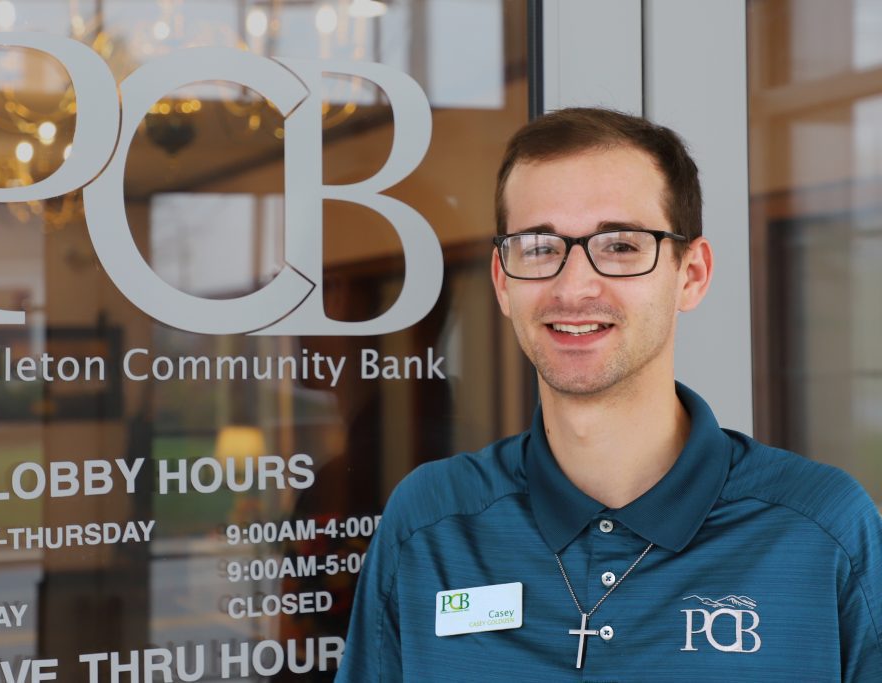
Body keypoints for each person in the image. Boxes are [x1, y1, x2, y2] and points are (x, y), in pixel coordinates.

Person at [335, 108, 882, 682]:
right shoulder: (430, 527)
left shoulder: (823, 534)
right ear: (502, 280)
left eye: (620, 245)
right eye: (540, 246)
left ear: (690, 275)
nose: (574, 287)